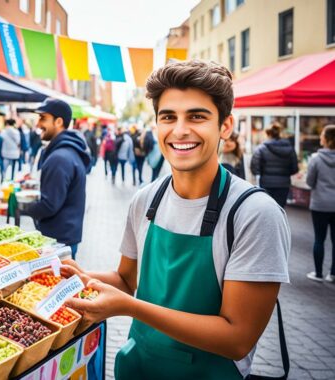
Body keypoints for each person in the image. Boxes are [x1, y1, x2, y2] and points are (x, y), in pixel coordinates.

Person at [63, 60, 290, 380]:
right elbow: (128, 282)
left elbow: (236, 339)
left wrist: (130, 308)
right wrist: (79, 277)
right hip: (137, 369)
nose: (180, 130)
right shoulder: (145, 200)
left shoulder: (254, 214)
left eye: (197, 116)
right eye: (168, 117)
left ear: (225, 126)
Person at [24, 99, 91, 259]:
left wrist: (23, 208)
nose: (38, 124)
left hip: (58, 240)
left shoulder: (59, 158)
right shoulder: (67, 151)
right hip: (65, 235)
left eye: (43, 118)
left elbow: (49, 205)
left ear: (59, 121)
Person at [306, 125, 335, 283]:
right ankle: (333, 274)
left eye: (322, 135)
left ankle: (318, 273)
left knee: (319, 239)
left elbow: (310, 182)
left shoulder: (316, 159)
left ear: (327, 138)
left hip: (320, 204)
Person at [250, 122, 299, 208]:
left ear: (267, 134)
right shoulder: (290, 148)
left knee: (267, 209)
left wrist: (261, 173)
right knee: (280, 209)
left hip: (266, 184)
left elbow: (254, 167)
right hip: (284, 184)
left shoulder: (261, 148)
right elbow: (295, 168)